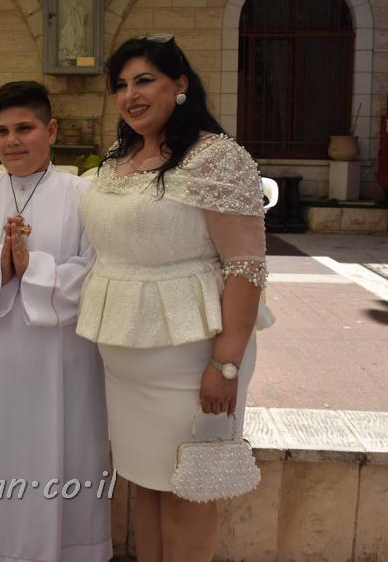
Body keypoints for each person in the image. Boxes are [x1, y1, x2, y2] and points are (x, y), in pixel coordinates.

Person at [76, 35, 273, 562]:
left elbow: (246, 266)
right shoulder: (120, 157)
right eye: (121, 85)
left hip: (192, 361)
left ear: (180, 85)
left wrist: (225, 365)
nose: (130, 95)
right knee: (146, 481)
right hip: (127, 363)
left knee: (189, 489)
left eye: (144, 80)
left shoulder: (216, 157)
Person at [0, 81, 111, 562]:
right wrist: (0, 268)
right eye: (2, 131)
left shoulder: (84, 197)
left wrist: (35, 270)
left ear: (50, 131)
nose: (11, 141)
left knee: (64, 453)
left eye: (24, 129)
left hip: (62, 363)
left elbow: (98, 272)